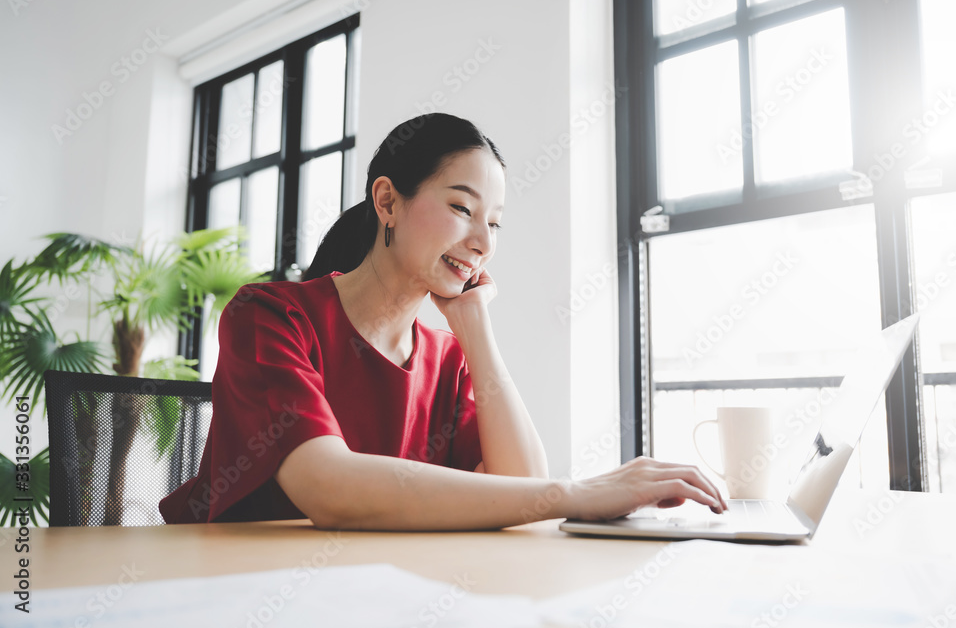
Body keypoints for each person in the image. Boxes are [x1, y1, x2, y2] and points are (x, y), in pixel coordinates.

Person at [159, 113, 727, 528]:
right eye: (461, 208)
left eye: (496, 223)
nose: (482, 242)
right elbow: (326, 486)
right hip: (242, 593)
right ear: (387, 202)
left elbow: (521, 492)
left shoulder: (447, 357)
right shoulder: (270, 316)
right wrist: (577, 494)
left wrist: (473, 328)